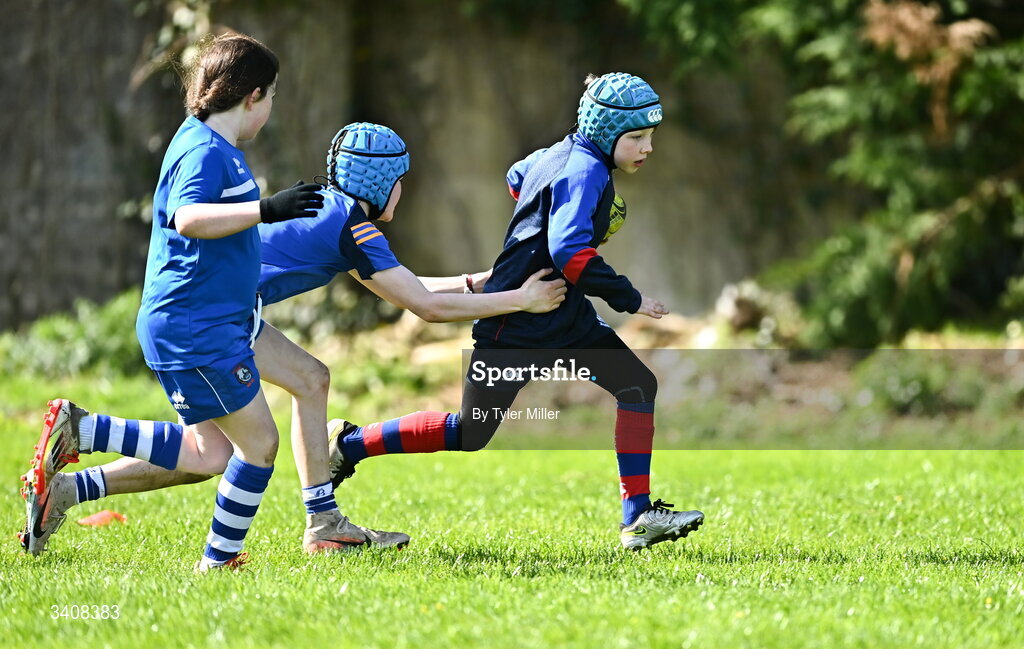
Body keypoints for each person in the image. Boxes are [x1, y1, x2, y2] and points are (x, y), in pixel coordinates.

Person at [19, 122, 567, 556]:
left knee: (308, 380)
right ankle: (86, 430)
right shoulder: (353, 225)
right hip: (210, 319)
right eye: (402, 179)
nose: (405, 191)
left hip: (223, 310)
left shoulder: (335, 213)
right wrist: (520, 300)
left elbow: (410, 288)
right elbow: (423, 306)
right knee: (214, 453)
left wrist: (481, 283)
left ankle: (69, 491)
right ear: (382, 182)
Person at [323, 72, 705, 551]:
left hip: (563, 311)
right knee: (471, 431)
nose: (647, 147)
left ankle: (639, 515)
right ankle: (349, 445)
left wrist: (544, 210)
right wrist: (630, 298)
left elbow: (517, 177)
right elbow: (571, 252)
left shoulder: (557, 156)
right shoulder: (585, 171)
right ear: (606, 134)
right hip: (518, 320)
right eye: (636, 137)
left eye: (651, 136)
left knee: (636, 385)